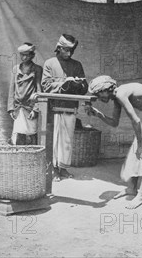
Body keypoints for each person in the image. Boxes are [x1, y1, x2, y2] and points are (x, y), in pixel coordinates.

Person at [87, 76, 142, 209]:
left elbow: (135, 121)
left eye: (98, 93)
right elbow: (114, 123)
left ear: (107, 90)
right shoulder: (116, 97)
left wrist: (141, 145)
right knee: (135, 151)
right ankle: (131, 189)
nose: (98, 97)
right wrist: (97, 114)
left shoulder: (120, 94)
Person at [42, 34, 88, 181]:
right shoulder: (50, 63)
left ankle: (63, 169)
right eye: (66, 50)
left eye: (71, 50)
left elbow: (84, 87)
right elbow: (45, 85)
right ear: (59, 48)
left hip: (70, 108)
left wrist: (77, 84)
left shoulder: (77, 65)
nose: (69, 53)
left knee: (67, 141)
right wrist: (63, 83)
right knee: (54, 139)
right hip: (54, 108)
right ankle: (54, 169)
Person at [8, 43, 43, 145]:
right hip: (18, 108)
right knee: (19, 134)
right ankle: (20, 157)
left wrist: (36, 109)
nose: (24, 57)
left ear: (32, 55)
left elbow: (39, 90)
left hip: (30, 107)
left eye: (27, 55)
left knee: (32, 133)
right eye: (22, 55)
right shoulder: (16, 69)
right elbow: (12, 89)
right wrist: (11, 108)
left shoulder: (37, 69)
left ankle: (33, 158)